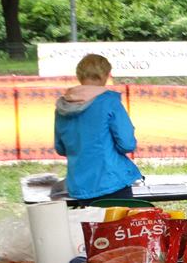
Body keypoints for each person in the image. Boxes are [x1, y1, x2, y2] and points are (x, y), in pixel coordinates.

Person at [54, 53, 142, 203]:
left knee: (89, 226)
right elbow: (127, 144)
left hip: (79, 185)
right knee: (119, 226)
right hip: (112, 181)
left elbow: (61, 148)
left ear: (79, 75)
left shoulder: (63, 106)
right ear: (106, 75)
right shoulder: (109, 103)